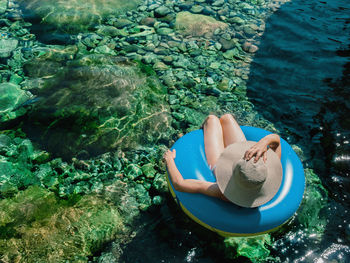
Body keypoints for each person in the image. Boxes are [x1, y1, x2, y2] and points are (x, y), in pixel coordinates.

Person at [163, 114, 283, 208]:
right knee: (227, 118)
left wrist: (169, 160)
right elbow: (276, 140)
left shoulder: (223, 192)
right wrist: (264, 142)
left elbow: (179, 184)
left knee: (212, 120)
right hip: (245, 155)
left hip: (220, 164)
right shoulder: (262, 174)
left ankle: (202, 131)